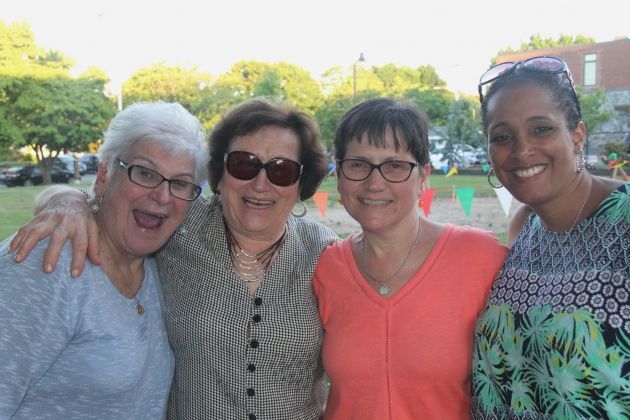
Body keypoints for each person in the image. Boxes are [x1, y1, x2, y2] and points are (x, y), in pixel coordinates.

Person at [8, 97, 338, 419]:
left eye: (282, 170)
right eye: (244, 164)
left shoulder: (325, 254)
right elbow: (115, 202)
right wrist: (69, 201)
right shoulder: (181, 227)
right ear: (220, 175)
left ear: (301, 184)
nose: (260, 184)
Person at [0, 102, 207, 418]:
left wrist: (68, 197)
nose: (163, 196)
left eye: (179, 182)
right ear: (103, 175)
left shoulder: (160, 262)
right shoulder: (47, 264)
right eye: (145, 173)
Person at [312, 98, 508, 419]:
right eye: (359, 164)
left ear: (423, 177)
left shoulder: (480, 258)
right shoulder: (326, 268)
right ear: (340, 174)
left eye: (395, 165)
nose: (375, 183)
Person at [472, 56, 629, 418]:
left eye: (541, 129)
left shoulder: (624, 221)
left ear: (577, 135)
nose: (521, 150)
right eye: (503, 137)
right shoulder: (524, 223)